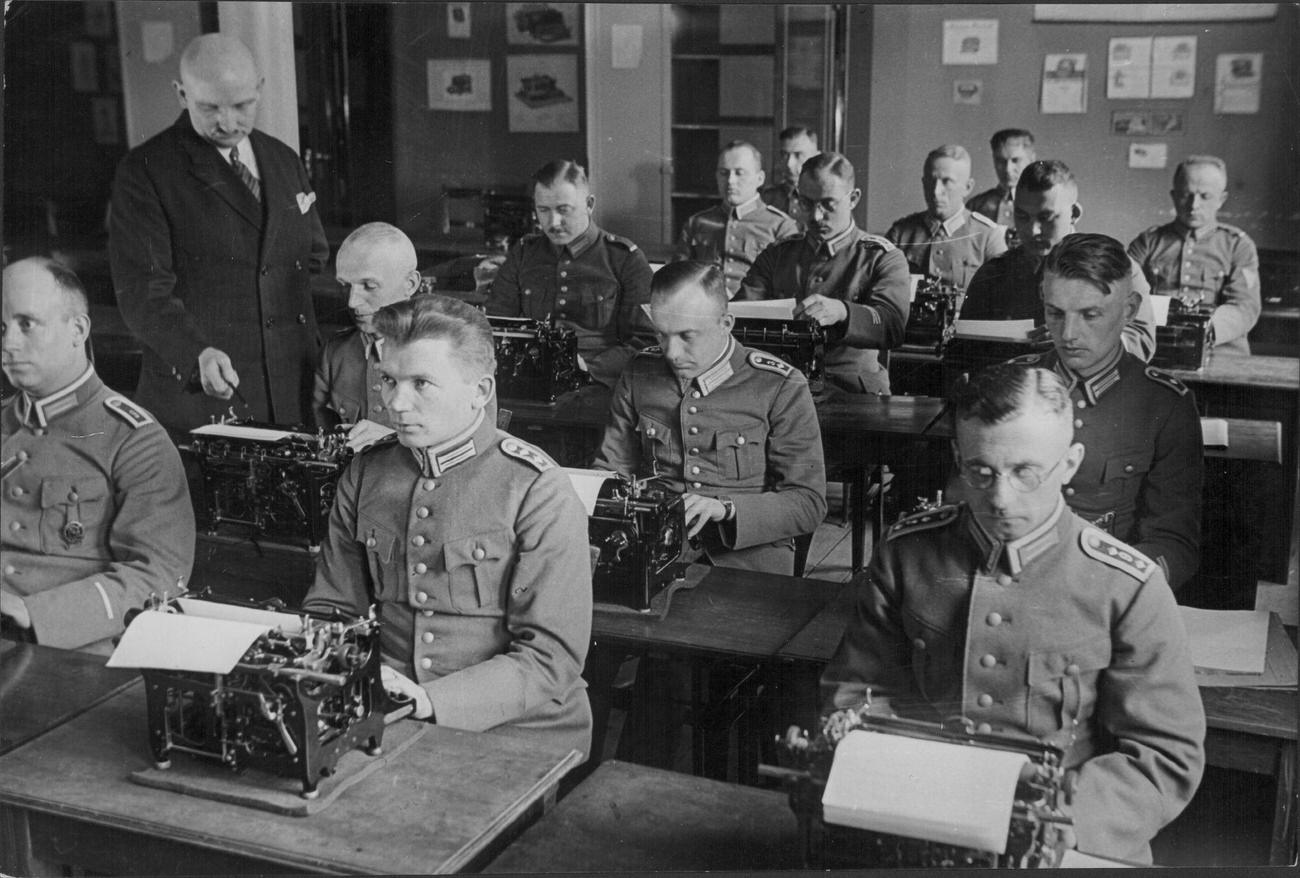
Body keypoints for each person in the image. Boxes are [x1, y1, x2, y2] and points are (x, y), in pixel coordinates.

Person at [821, 361, 1205, 865]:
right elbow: (855, 691)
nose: (1000, 498)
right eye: (981, 472)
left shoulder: (1128, 585)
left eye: (1026, 472)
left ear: (1069, 464)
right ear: (958, 458)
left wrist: (1047, 820)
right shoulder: (906, 553)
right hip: (920, 824)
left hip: (1066, 838)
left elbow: (1165, 757)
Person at [302, 294, 593, 758]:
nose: (396, 403)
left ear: (478, 391)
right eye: (389, 380)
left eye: (421, 383)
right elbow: (334, 608)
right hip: (388, 712)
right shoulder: (365, 473)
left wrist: (432, 702)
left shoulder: (536, 488)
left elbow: (549, 658)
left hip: (517, 730)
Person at [109, 34, 329, 436]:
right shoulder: (145, 171)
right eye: (209, 107)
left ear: (259, 89)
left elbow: (312, 256)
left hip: (291, 387)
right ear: (181, 94)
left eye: (242, 105)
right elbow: (143, 293)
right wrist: (196, 355)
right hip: (206, 392)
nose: (227, 122)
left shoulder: (283, 159)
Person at [1, 258, 195, 654]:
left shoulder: (134, 440)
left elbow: (157, 574)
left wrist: (32, 613)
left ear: (78, 330)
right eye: (1, 328)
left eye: (26, 324)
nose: (9, 344)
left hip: (73, 651)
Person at [594, 261, 827, 573]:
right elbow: (611, 470)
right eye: (661, 335)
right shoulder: (639, 373)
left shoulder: (781, 384)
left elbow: (808, 503)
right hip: (655, 551)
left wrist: (726, 509)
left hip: (747, 558)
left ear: (726, 323)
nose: (671, 352)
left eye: (687, 335)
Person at [1011, 233, 1202, 590]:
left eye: (1090, 315)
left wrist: (1109, 592)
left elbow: (1174, 544)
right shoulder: (1011, 384)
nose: (1068, 334)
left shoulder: (1166, 405)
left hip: (1106, 593)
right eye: (1055, 313)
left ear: (1129, 310)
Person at [739, 152, 911, 395]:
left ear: (853, 199)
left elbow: (893, 325)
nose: (816, 216)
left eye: (828, 204)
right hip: (782, 389)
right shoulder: (778, 254)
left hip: (853, 393)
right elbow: (741, 313)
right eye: (807, 204)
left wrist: (843, 312)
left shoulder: (882, 257)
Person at [961, 160, 1157, 362]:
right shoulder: (993, 274)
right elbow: (965, 349)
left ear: (1074, 214)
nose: (1032, 230)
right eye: (1022, 216)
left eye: (1046, 217)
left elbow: (1141, 339)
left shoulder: (1116, 266)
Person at [487, 159, 654, 388]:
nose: (553, 223)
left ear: (589, 204)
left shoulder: (625, 259)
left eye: (563, 210)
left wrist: (588, 367)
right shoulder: (524, 254)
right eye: (543, 210)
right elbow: (495, 324)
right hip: (529, 379)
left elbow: (647, 341)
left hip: (600, 384)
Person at [1128, 155, 1261, 355]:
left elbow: (1244, 307)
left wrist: (1204, 332)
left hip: (1219, 348)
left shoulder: (1238, 245)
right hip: (1156, 345)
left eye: (1205, 196)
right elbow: (1123, 293)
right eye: (1185, 195)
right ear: (1173, 196)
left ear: (1221, 199)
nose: (1193, 205)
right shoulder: (1148, 242)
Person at [311, 222, 422, 447]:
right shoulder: (336, 353)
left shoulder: (449, 350)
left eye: (369, 286)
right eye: (344, 286)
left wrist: (391, 441)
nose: (352, 302)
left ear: (410, 284)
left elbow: (473, 449)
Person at [674, 141, 799, 298]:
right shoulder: (697, 223)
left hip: (756, 315)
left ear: (760, 179)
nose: (730, 181)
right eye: (724, 173)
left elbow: (786, 290)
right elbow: (677, 278)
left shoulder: (781, 226)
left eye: (739, 173)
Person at [885, 144, 1007, 289]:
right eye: (931, 180)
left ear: (968, 187)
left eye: (946, 182)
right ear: (923, 183)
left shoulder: (988, 236)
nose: (936, 191)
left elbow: (1001, 298)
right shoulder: (900, 234)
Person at [967, 128, 1036, 231]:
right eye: (1000, 161)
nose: (1008, 169)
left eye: (1015, 160)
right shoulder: (976, 206)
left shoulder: (1042, 202)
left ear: (1031, 160)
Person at [761, 125, 820, 219]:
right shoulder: (766, 197)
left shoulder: (825, 197)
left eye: (798, 155)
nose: (789, 163)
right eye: (784, 155)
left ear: (816, 157)